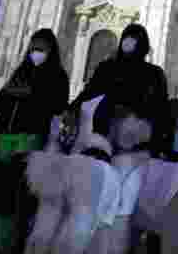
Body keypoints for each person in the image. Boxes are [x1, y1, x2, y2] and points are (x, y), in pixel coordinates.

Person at [0, 28, 70, 254]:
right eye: (33, 48)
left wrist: (32, 95)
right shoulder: (20, 72)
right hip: (5, 135)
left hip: (31, 137)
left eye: (42, 49)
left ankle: (19, 249)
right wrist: (11, 94)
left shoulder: (57, 75)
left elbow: (57, 105)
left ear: (51, 51)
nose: (36, 52)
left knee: (24, 193)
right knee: (2, 192)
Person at [68, 23, 170, 157]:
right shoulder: (107, 67)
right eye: (127, 37)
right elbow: (89, 91)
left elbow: (160, 106)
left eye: (134, 38)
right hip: (104, 130)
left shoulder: (154, 73)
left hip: (135, 132)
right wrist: (71, 110)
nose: (129, 42)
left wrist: (134, 112)